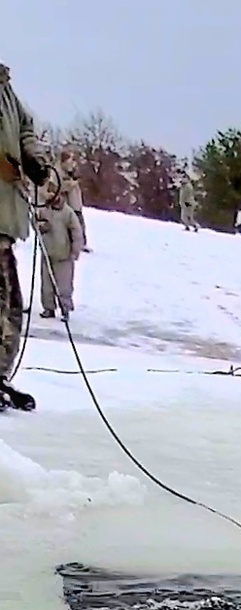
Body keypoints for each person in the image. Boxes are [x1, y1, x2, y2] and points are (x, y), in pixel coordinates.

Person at [0, 63, 50, 412]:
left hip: (5, 218)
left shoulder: (6, 91)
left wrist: (34, 160)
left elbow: (27, 130)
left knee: (8, 305)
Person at [37, 184, 83, 317]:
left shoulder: (68, 213)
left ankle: (65, 308)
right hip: (47, 253)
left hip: (64, 254)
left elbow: (76, 232)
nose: (51, 196)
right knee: (47, 285)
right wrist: (40, 226)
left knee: (64, 285)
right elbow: (37, 224)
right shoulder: (44, 210)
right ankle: (48, 308)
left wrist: (75, 250)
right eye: (49, 193)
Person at [57, 148, 87, 249]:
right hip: (68, 204)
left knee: (79, 223)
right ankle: (76, 244)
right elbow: (60, 186)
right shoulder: (59, 172)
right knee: (74, 225)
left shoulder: (71, 172)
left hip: (76, 204)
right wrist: (71, 184)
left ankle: (81, 243)